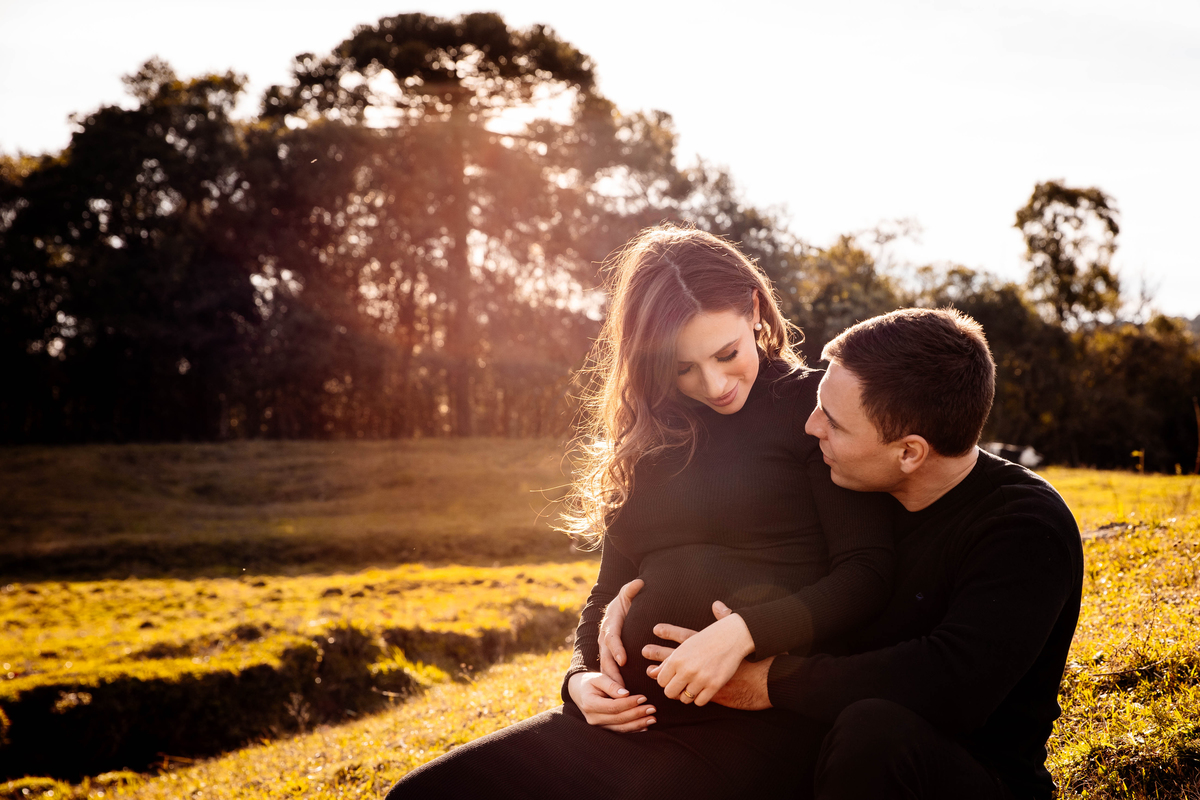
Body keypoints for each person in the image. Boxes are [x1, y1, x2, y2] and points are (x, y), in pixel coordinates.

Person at [385, 225, 895, 798]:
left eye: (727, 354)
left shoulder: (816, 412)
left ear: (755, 309)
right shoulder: (649, 433)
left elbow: (867, 573)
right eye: (682, 367)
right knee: (421, 794)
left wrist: (745, 633)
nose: (714, 384)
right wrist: (579, 680)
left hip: (751, 726)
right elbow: (608, 590)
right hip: (624, 723)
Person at [611, 308, 1083, 800]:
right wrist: (622, 606)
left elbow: (952, 684)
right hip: (818, 753)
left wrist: (771, 681)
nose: (811, 426)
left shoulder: (1026, 528)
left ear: (909, 452)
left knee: (874, 734)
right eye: (818, 405)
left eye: (833, 423)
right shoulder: (866, 493)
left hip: (968, 776)